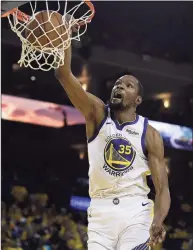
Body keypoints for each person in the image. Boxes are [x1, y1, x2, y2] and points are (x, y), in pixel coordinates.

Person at [55, 45, 171, 250]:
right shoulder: (96, 112)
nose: (120, 87)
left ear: (138, 100)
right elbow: (63, 74)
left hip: (135, 209)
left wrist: (158, 220)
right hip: (101, 210)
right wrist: (65, 40)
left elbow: (162, 189)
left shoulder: (150, 134)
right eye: (118, 84)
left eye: (128, 86)